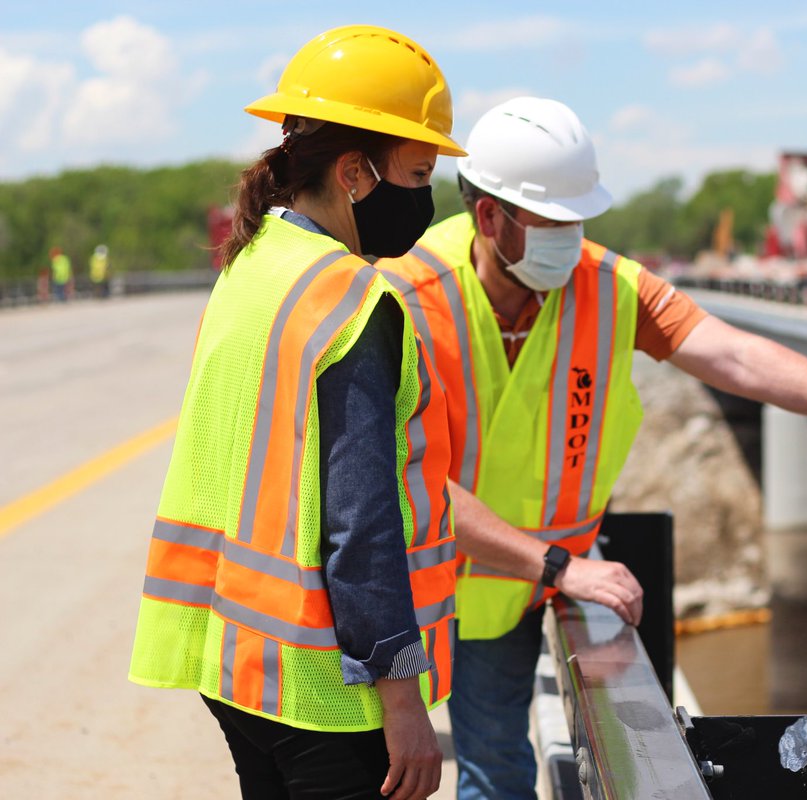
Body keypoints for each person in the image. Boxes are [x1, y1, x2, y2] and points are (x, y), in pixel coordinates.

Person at [375, 96, 807, 800]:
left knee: (496, 776)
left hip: (515, 596)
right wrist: (557, 564)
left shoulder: (609, 288)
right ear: (491, 217)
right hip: (408, 583)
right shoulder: (406, 294)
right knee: (378, 775)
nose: (572, 238)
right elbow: (399, 475)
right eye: (554, 221)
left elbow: (734, 357)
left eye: (581, 219)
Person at [128, 26, 465, 800]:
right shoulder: (352, 299)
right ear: (353, 173)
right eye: (419, 173)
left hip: (236, 660)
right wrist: (403, 696)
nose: (427, 198)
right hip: (320, 686)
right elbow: (361, 520)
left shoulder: (252, 264)